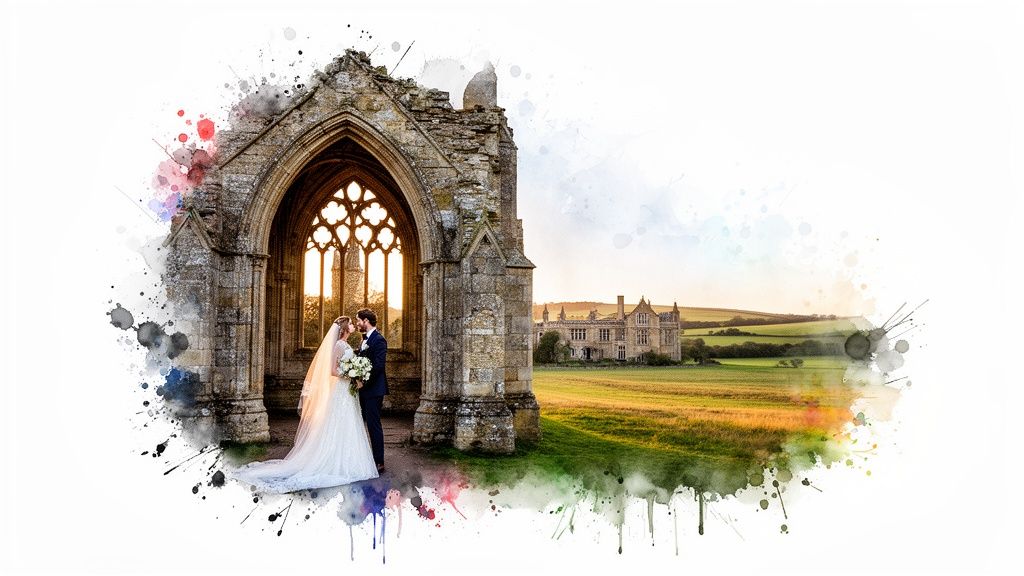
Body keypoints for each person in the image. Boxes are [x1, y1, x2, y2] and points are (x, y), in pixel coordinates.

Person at [232, 316, 378, 493]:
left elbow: (345, 365)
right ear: (345, 328)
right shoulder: (339, 345)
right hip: (341, 389)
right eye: (351, 323)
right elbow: (333, 371)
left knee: (349, 423)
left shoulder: (346, 345)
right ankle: (333, 461)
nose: (354, 325)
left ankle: (351, 460)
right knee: (338, 422)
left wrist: (355, 374)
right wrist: (351, 375)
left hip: (347, 391)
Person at [354, 308, 388, 473]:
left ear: (366, 321)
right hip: (363, 389)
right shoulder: (364, 340)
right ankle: (362, 459)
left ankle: (379, 461)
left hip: (374, 390)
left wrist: (363, 383)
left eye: (358, 320)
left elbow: (378, 366)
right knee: (359, 424)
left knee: (374, 425)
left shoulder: (379, 340)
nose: (357, 324)